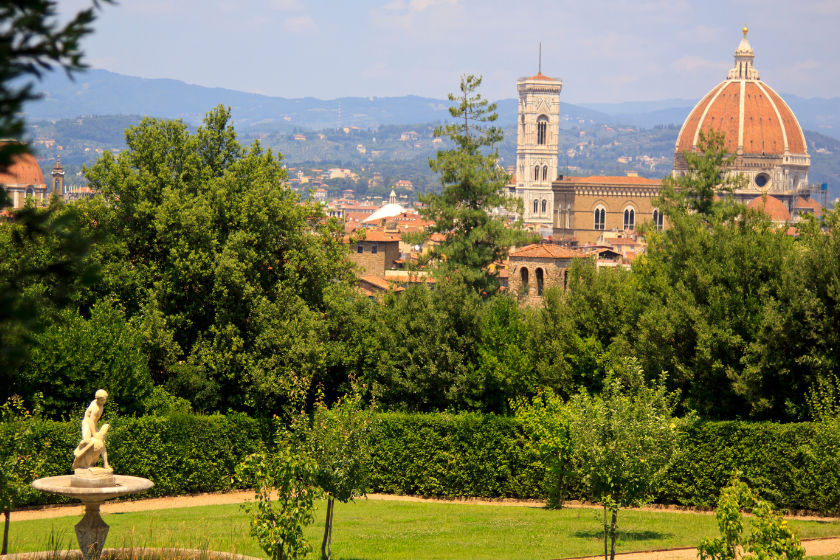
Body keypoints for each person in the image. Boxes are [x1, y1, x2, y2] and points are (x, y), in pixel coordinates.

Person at [72, 389, 112, 470]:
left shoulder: (100, 405)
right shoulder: (96, 408)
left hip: (93, 424)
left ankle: (106, 464)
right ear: (97, 399)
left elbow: (94, 422)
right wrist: (94, 434)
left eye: (105, 399)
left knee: (103, 442)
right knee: (87, 441)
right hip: (87, 424)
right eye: (102, 400)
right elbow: (91, 421)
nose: (104, 401)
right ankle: (79, 449)